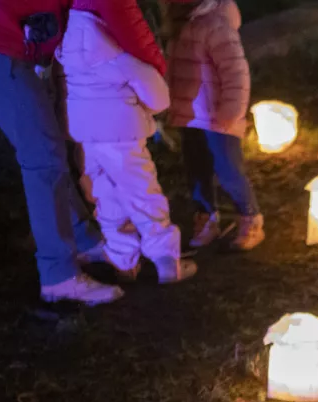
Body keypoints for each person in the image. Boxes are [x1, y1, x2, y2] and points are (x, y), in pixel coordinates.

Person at [0, 1, 122, 304]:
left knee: (46, 147)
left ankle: (82, 239)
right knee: (41, 151)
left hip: (5, 36)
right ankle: (58, 275)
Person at [57, 0, 196, 284]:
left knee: (106, 194)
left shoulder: (70, 44)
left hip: (88, 135)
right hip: (120, 134)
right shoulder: (110, 52)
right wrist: (156, 105)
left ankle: (123, 257)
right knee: (141, 192)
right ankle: (166, 259)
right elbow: (156, 93)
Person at [164, 0, 263, 252]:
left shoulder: (215, 24)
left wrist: (232, 111)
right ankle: (206, 217)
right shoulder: (180, 25)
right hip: (189, 116)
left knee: (228, 170)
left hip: (217, 117)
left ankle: (250, 217)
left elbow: (236, 72)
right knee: (197, 171)